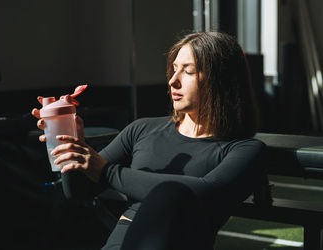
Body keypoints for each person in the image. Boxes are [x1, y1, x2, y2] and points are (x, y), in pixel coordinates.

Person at [32, 31, 266, 249]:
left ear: (220, 80)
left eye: (188, 71)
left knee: (172, 194)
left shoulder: (245, 150)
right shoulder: (142, 129)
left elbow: (203, 194)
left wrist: (108, 172)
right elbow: (80, 191)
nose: (173, 80)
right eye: (174, 69)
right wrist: (68, 142)